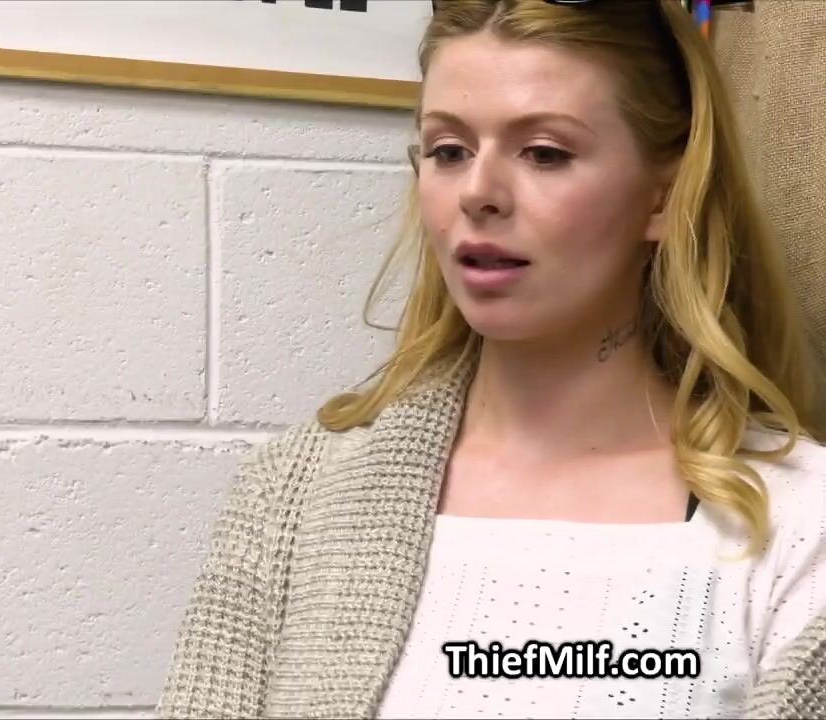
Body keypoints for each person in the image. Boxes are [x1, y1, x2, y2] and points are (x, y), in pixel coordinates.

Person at [155, 0, 826, 718]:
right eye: (449, 150)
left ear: (663, 196)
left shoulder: (798, 524)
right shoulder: (296, 493)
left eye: (545, 153)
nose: (478, 193)